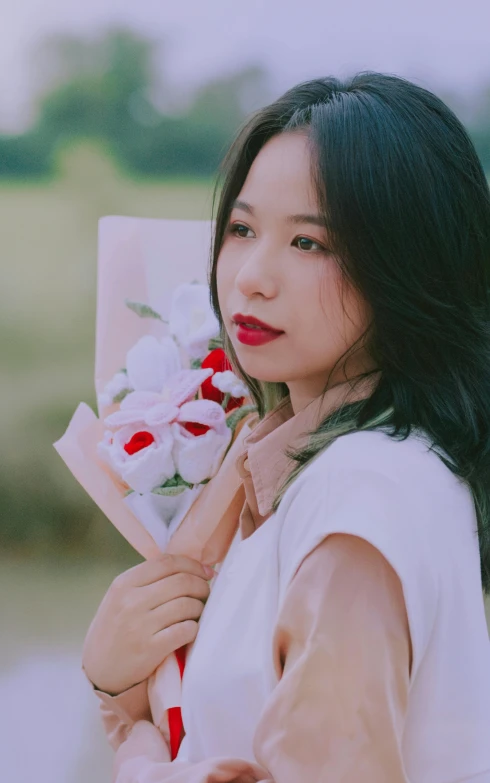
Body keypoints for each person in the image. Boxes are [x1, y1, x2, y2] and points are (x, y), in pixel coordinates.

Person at [82, 72, 490, 782]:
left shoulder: (365, 493)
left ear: (408, 262)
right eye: (241, 230)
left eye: (309, 243)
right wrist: (121, 686)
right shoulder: (307, 472)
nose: (250, 277)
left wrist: (139, 761)